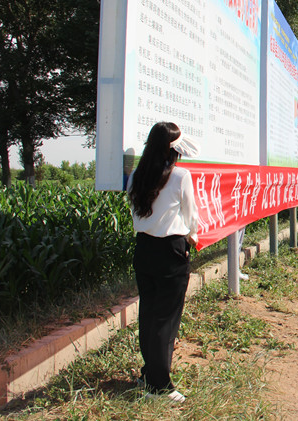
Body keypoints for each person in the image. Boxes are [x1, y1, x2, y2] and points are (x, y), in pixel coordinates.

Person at [127, 122, 199, 404]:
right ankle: (159, 387)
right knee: (166, 319)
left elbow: (136, 213)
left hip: (144, 249)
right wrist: (192, 236)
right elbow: (191, 216)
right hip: (171, 251)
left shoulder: (136, 175)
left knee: (149, 314)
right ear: (174, 149)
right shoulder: (180, 176)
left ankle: (148, 374)